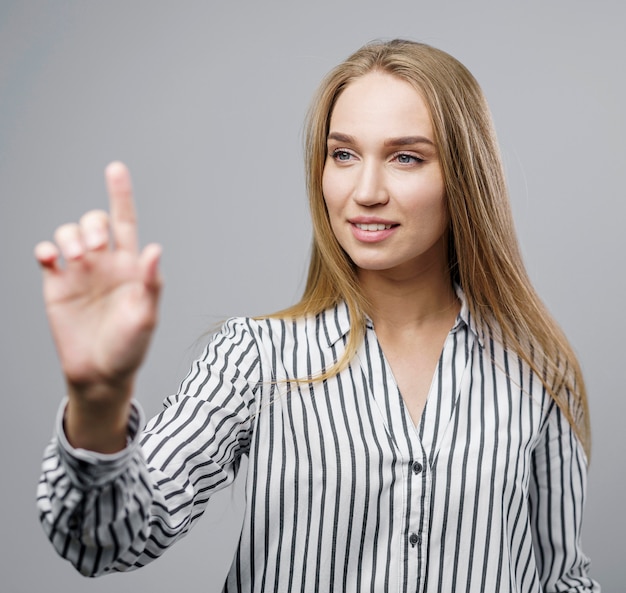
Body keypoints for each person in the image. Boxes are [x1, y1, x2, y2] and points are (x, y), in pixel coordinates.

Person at [35, 39, 599, 592]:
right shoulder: (254, 358)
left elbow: (560, 579)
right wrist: (98, 404)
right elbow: (106, 541)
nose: (366, 191)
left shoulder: (538, 371)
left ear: (463, 176)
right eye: (344, 154)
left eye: (406, 157)